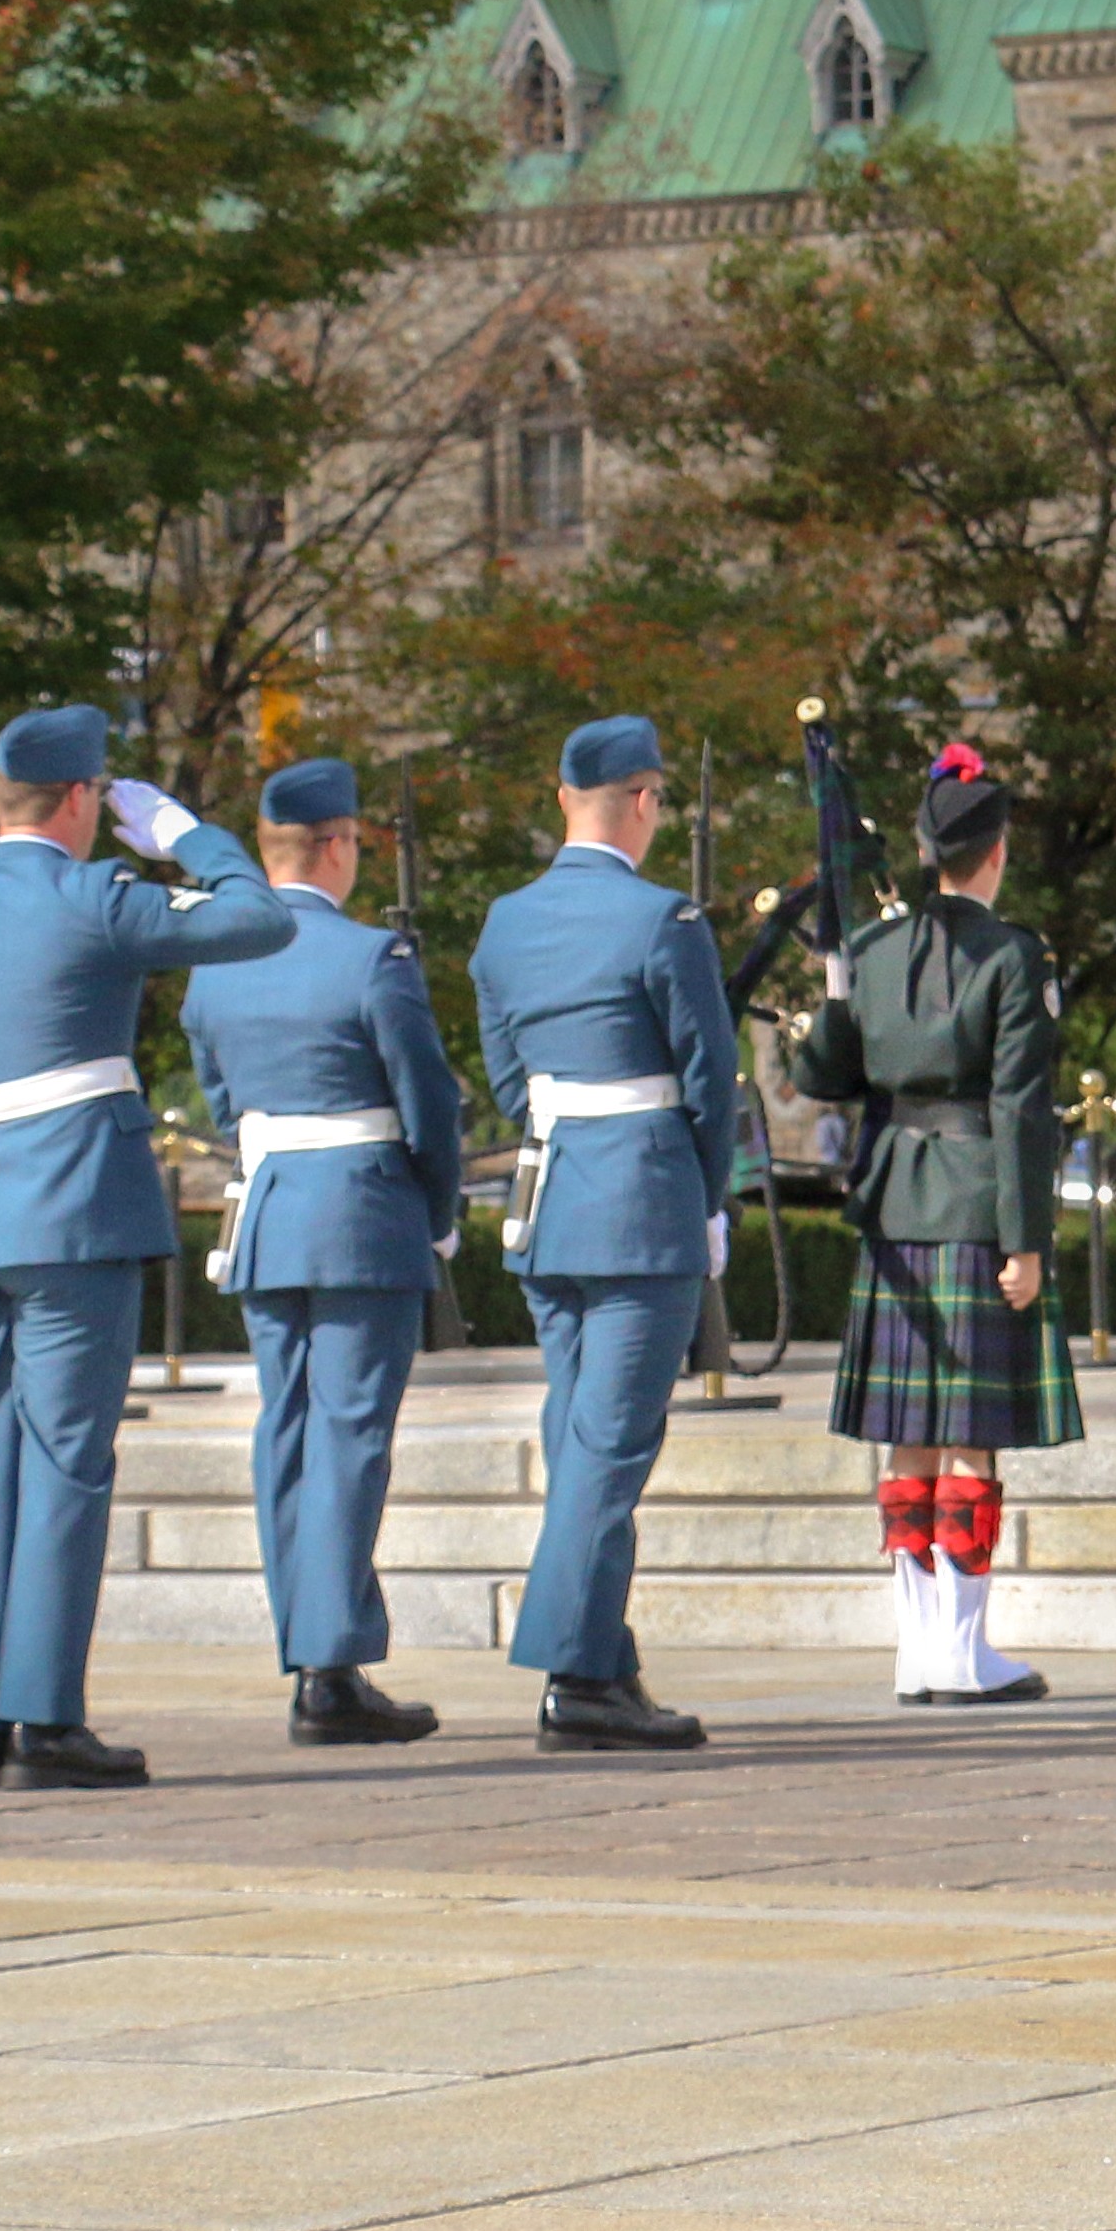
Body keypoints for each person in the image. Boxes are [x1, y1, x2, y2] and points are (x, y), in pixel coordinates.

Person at [0, 705, 295, 1794]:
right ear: (77, 800)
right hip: (71, 1213)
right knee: (65, 1459)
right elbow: (259, 920)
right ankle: (46, 1720)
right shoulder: (96, 896)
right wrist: (186, 837)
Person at [469, 714, 754, 1753]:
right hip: (641, 1204)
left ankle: (605, 1658)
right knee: (611, 1447)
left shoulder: (505, 922)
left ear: (562, 800)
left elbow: (507, 1076)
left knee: (579, 1438)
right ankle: (576, 1680)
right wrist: (707, 1200)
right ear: (642, 799)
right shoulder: (663, 919)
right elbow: (709, 1078)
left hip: (551, 1203)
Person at [180, 755, 469, 1746]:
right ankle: (330, 1668)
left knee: (288, 1435)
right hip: (362, 1213)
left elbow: (223, 1099)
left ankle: (308, 1650)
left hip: (270, 1216)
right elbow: (428, 1100)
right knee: (347, 1435)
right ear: (337, 846)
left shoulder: (216, 963)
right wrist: (436, 1209)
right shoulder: (372, 956)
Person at [792, 743, 1077, 1705]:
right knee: (966, 1440)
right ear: (996, 851)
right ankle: (961, 1650)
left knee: (907, 1437)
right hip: (973, 1204)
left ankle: (917, 1650)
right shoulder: (1015, 955)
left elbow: (822, 1078)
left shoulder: (873, 952)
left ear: (923, 850)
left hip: (891, 1204)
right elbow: (1019, 1109)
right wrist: (1026, 1239)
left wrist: (835, 995)